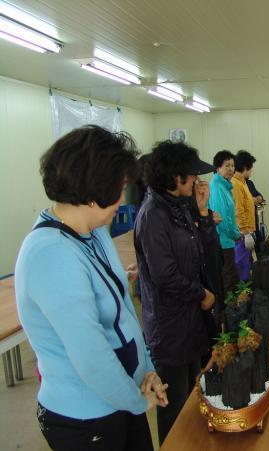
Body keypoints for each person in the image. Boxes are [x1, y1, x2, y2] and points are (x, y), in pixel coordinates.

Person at [15, 125, 165, 451]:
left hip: (123, 396)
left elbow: (124, 311)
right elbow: (91, 355)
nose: (122, 200)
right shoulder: (50, 253)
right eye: (119, 188)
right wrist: (137, 401)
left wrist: (146, 370)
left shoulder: (94, 232)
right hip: (86, 417)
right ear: (94, 190)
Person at [134, 140, 216, 444]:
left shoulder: (179, 206)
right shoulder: (153, 215)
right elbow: (164, 275)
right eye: (191, 175)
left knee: (194, 396)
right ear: (173, 176)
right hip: (170, 326)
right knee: (175, 407)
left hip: (190, 320)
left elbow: (201, 254)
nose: (196, 180)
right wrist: (201, 294)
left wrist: (202, 210)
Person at [209, 150, 241, 294]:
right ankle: (227, 307)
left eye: (232, 166)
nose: (231, 169)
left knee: (231, 277)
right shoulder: (217, 187)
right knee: (227, 281)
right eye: (227, 165)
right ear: (217, 167)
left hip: (227, 240)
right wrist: (235, 234)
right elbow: (221, 219)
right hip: (223, 241)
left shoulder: (224, 185)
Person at [232, 150, 257, 276]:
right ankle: (243, 285)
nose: (251, 171)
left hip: (248, 230)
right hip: (243, 233)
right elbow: (238, 210)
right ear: (246, 167)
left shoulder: (243, 182)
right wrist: (246, 233)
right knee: (242, 264)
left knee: (248, 262)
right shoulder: (236, 184)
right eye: (251, 168)